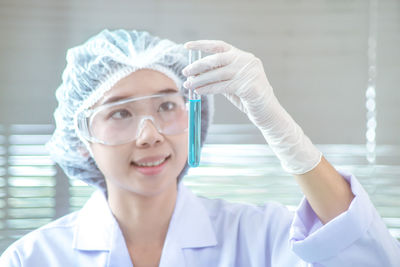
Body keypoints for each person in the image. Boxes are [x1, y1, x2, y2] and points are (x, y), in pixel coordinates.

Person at [0, 29, 399, 267]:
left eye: (167, 106)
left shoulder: (260, 236)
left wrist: (281, 128)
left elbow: (368, 257)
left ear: (194, 116)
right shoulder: (33, 258)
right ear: (81, 139)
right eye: (121, 114)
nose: (149, 134)